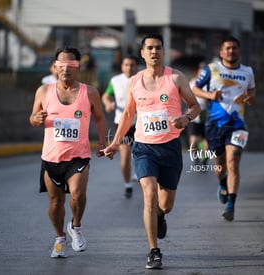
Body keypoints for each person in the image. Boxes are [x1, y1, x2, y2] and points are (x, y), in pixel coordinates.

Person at [103, 34, 200, 269]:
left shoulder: (176, 78)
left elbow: (195, 106)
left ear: (163, 52)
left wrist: (186, 118)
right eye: (150, 48)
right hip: (144, 147)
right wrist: (116, 142)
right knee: (148, 195)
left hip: (170, 147)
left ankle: (161, 215)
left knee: (165, 204)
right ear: (143, 54)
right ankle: (153, 251)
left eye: (158, 48)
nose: (154, 51)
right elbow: (127, 115)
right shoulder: (134, 81)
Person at [29, 47, 107, 258]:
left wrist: (102, 142)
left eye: (70, 66)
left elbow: (99, 117)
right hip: (51, 157)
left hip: (79, 155)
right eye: (61, 65)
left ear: (77, 67)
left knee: (78, 194)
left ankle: (76, 226)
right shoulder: (43, 91)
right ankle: (59, 238)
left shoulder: (89, 92)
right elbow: (33, 118)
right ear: (55, 67)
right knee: (55, 203)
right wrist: (36, 119)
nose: (65, 69)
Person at [192, 35, 256, 222]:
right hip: (214, 126)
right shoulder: (211, 69)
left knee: (233, 162)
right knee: (220, 166)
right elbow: (195, 89)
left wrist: (250, 97)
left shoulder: (247, 71)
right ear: (221, 52)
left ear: (239, 51)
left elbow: (252, 90)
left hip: (238, 125)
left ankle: (231, 205)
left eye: (234, 48)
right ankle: (222, 182)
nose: (231, 51)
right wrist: (210, 95)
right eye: (227, 48)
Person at [102, 55, 139, 198]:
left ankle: (139, 172)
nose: (129, 67)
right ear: (122, 66)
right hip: (123, 123)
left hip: (141, 122)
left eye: (132, 65)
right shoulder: (115, 81)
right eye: (126, 64)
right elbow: (106, 96)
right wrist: (107, 104)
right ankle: (128, 184)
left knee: (140, 154)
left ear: (136, 67)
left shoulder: (142, 79)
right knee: (125, 157)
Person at [188, 62, 209, 165]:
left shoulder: (209, 83)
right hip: (194, 113)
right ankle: (195, 154)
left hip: (206, 113)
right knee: (194, 138)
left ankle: (204, 159)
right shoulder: (192, 83)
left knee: (206, 138)